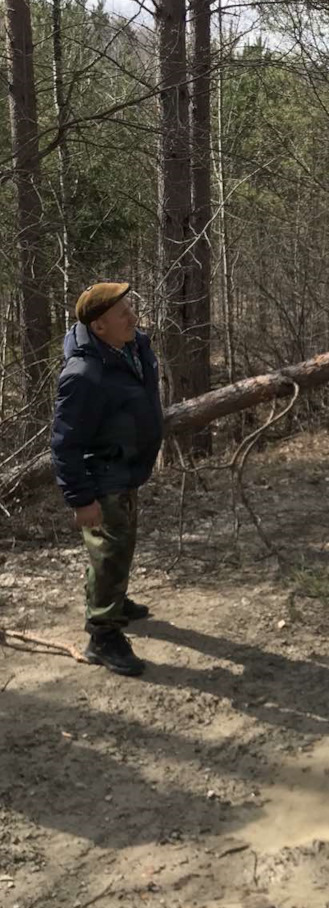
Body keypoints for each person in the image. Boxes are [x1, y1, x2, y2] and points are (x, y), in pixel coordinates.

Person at [51, 282, 164, 677]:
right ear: (99, 327)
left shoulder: (132, 347)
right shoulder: (83, 375)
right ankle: (102, 635)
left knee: (117, 549)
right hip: (104, 478)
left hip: (128, 468)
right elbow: (64, 444)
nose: (132, 315)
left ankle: (113, 600)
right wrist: (81, 500)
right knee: (109, 551)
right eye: (123, 313)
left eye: (130, 306)